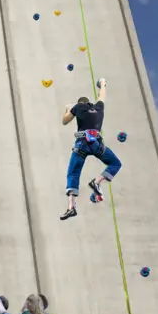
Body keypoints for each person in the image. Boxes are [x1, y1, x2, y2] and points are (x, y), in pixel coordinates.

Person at [60, 78, 122, 220]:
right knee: (115, 163)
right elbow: (102, 95)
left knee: (73, 174)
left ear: (80, 102)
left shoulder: (78, 107)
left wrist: (69, 109)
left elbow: (65, 121)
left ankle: (71, 207)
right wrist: (103, 83)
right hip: (97, 144)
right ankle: (97, 181)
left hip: (82, 144)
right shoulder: (99, 108)